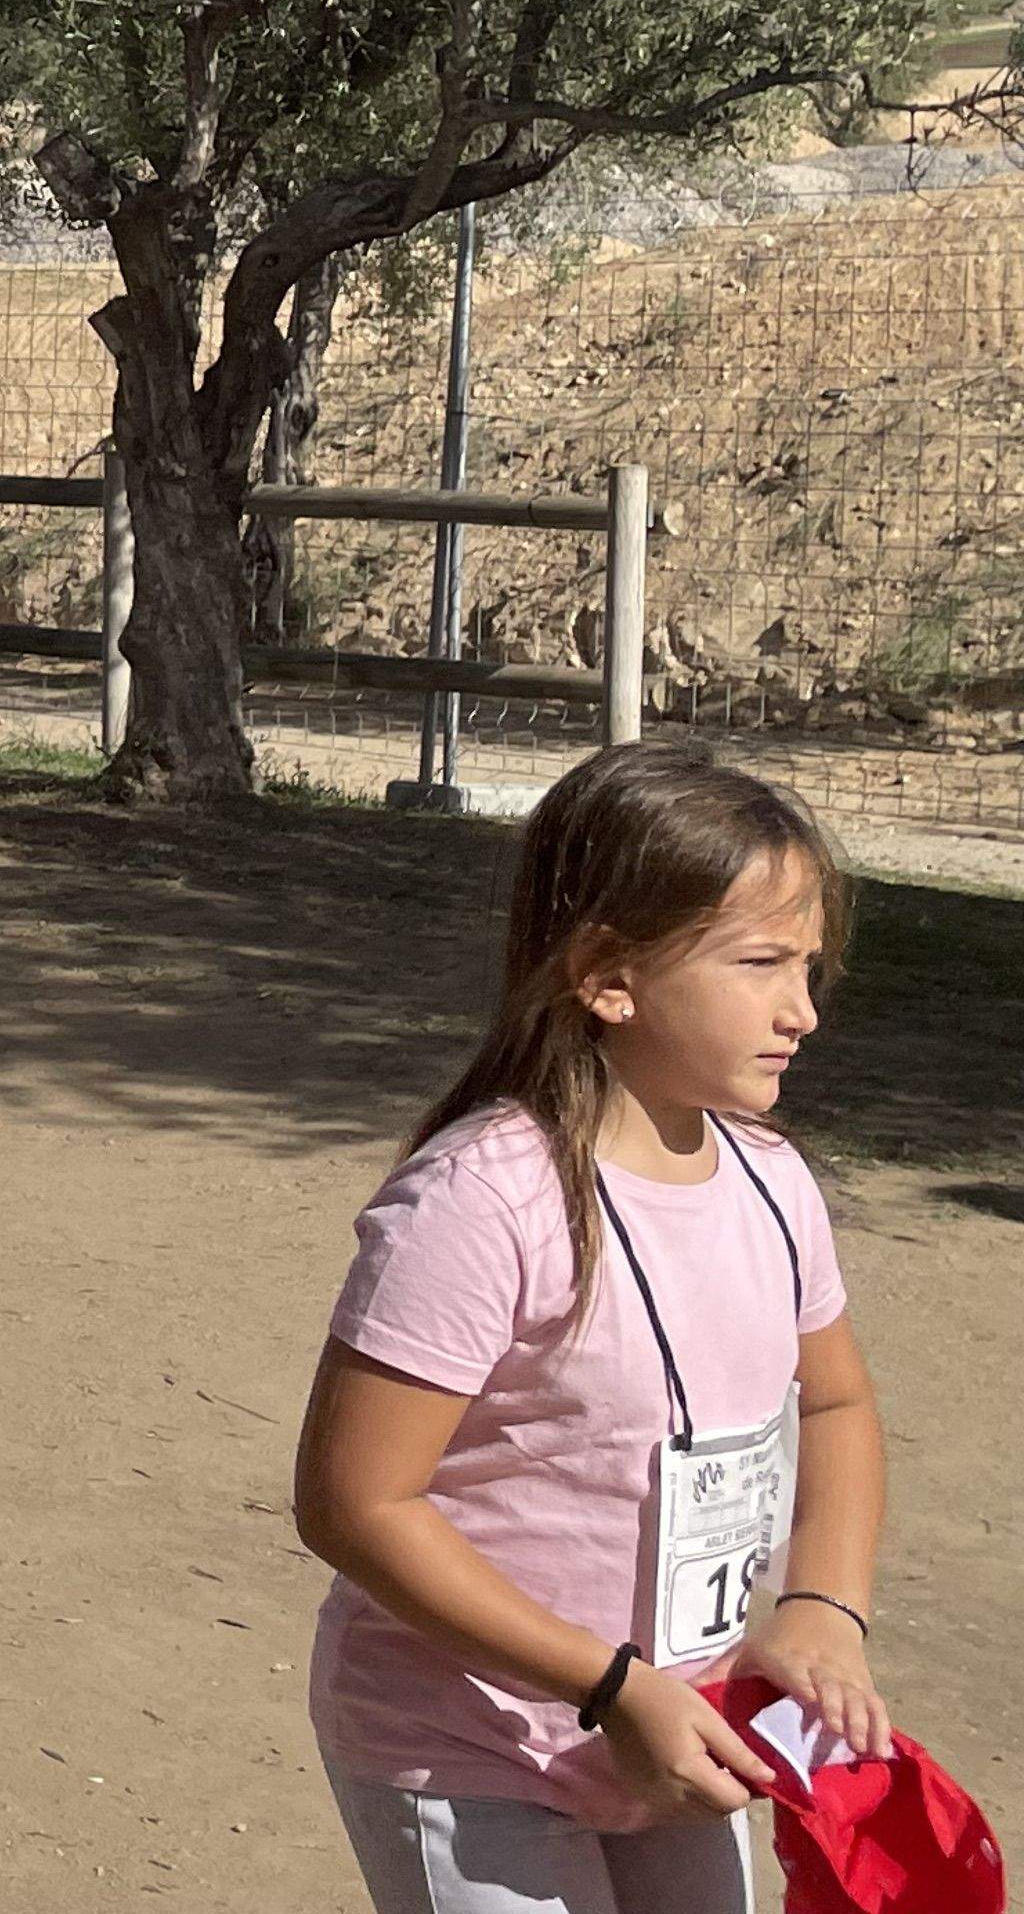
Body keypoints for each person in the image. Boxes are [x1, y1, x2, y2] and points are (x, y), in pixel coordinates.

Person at [293, 743, 892, 1914]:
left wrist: (823, 1607)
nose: (803, 1011)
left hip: (679, 1730)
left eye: (810, 966)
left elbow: (837, 1401)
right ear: (609, 975)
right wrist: (609, 1684)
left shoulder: (772, 1181)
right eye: (762, 963)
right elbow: (354, 1503)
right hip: (474, 1748)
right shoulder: (478, 1203)